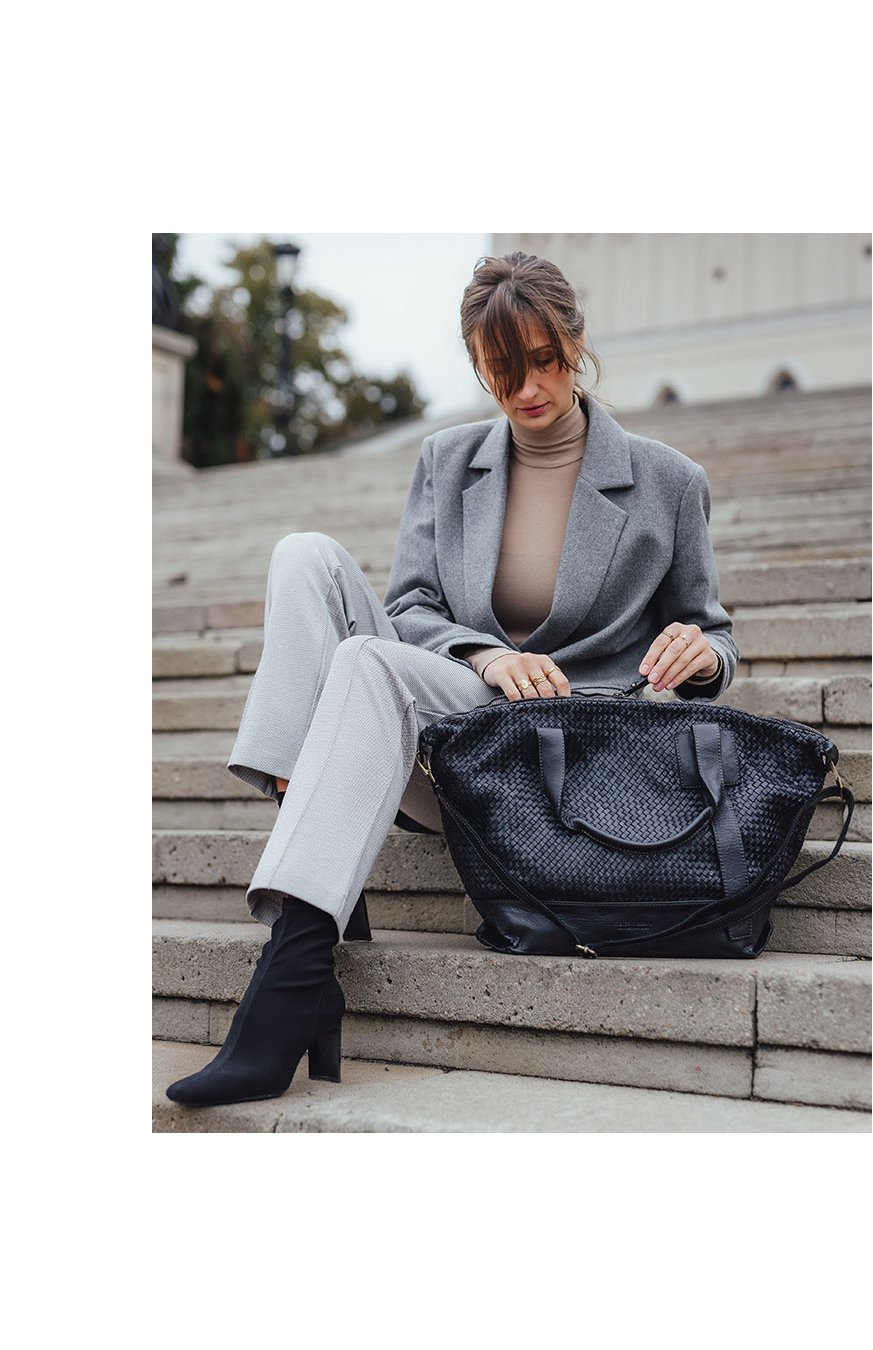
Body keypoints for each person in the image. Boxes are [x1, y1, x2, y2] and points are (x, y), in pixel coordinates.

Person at [165, 250, 739, 1107]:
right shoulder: (447, 459)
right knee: (303, 555)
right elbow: (412, 605)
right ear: (475, 360)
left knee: (363, 661)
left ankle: (293, 964)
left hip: (552, 765)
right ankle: (309, 899)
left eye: (543, 360)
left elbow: (714, 631)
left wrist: (703, 654)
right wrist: (486, 656)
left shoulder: (667, 481)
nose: (526, 387)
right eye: (500, 368)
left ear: (576, 342)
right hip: (446, 728)